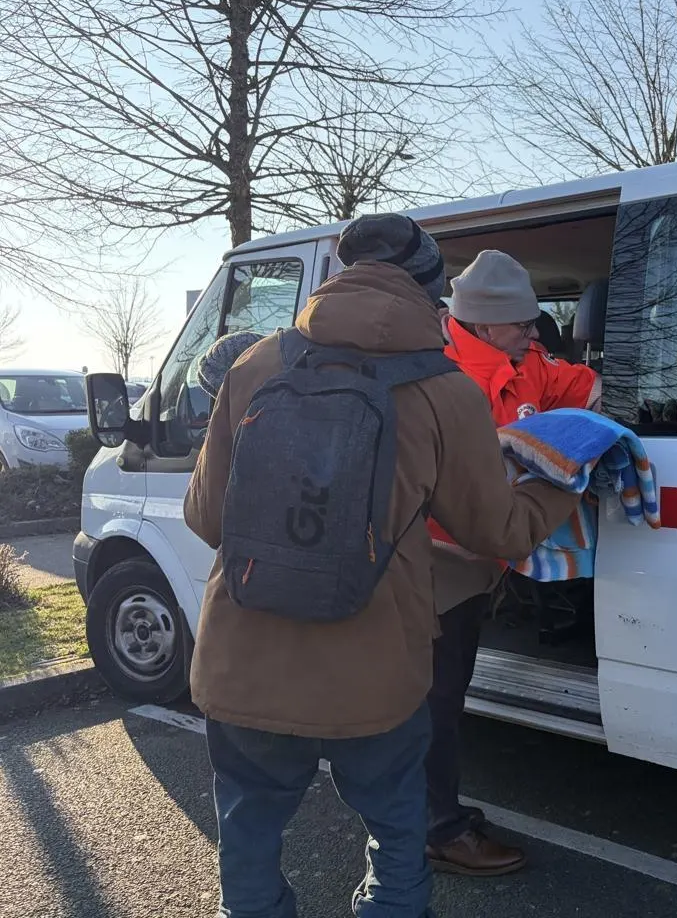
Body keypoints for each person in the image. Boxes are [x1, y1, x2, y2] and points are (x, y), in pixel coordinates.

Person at [183, 215, 582, 918]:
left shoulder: (256, 364)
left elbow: (207, 518)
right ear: (430, 293)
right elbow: (497, 530)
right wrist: (564, 473)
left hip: (245, 660)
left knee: (248, 831)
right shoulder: (446, 390)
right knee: (397, 833)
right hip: (374, 670)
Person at [425, 249, 600, 877]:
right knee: (434, 702)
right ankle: (436, 830)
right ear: (484, 322)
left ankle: (433, 817)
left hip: (485, 558)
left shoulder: (524, 363)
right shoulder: (440, 378)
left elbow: (575, 385)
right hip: (436, 564)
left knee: (450, 692)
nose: (535, 330)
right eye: (523, 322)